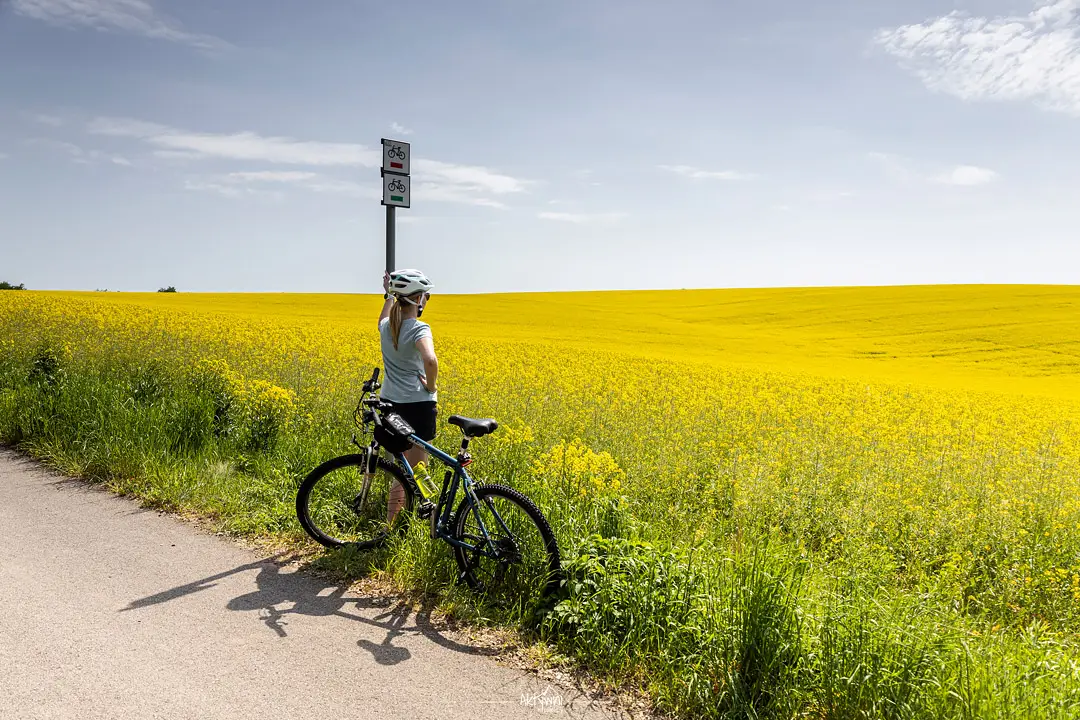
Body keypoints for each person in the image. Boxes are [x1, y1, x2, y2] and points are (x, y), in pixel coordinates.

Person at [378, 268, 439, 523]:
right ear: (417, 299)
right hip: (418, 406)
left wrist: (387, 295)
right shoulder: (418, 328)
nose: (426, 299)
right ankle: (432, 521)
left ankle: (392, 526)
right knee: (419, 470)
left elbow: (384, 315)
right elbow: (430, 360)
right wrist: (432, 386)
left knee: (399, 471)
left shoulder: (385, 327)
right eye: (425, 295)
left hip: (391, 405)